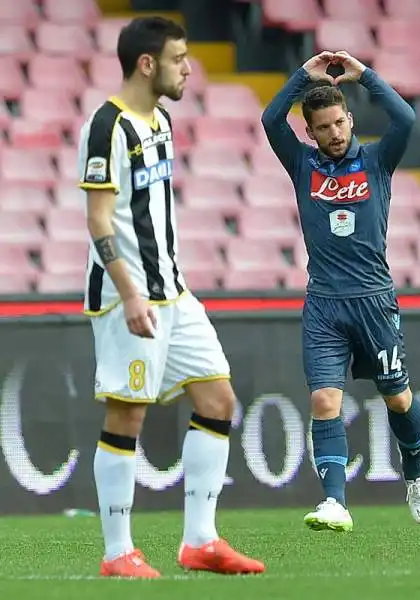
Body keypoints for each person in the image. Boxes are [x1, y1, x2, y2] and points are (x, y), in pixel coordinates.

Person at [77, 16, 265, 578]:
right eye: (180, 58)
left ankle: (200, 542)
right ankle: (117, 553)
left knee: (218, 400)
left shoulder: (160, 119)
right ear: (147, 63)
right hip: (126, 295)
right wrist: (132, 294)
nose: (188, 68)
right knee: (127, 414)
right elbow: (98, 219)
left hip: (174, 292)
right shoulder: (107, 126)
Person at [261, 51, 420, 532]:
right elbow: (270, 118)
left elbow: (405, 118)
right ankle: (335, 502)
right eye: (323, 127)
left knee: (398, 399)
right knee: (323, 401)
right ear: (311, 133)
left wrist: (364, 76)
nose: (334, 133)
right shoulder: (302, 166)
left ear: (350, 119)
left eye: (339, 122)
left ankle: (415, 472)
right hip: (324, 305)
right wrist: (301, 77)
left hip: (374, 300)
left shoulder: (377, 161)